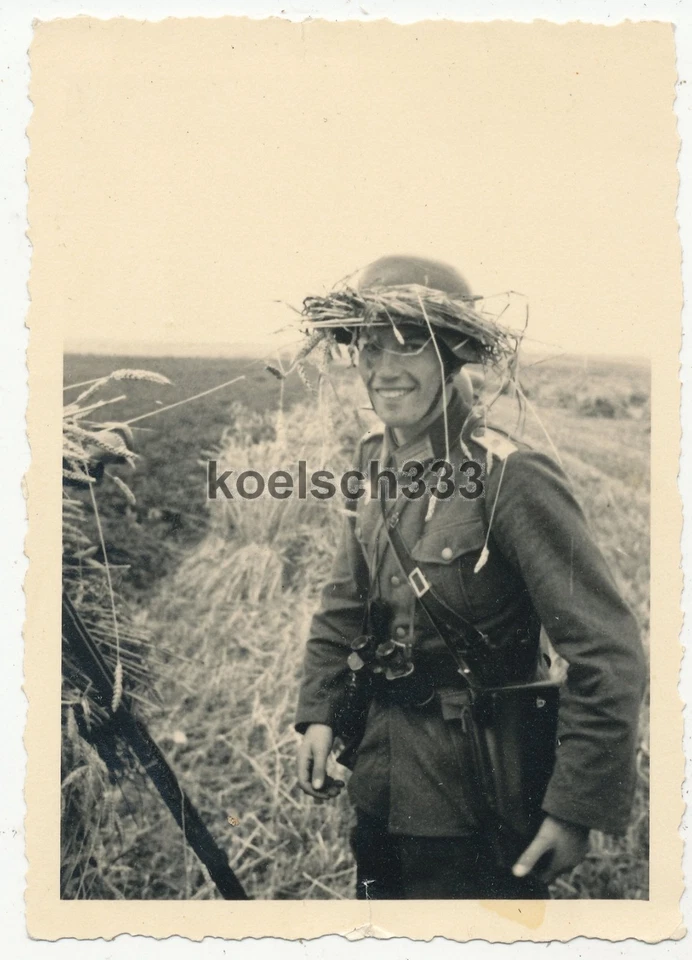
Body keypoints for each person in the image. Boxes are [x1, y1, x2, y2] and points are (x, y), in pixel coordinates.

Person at [294, 255, 646, 899]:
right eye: (369, 348)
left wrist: (574, 808)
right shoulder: (373, 459)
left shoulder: (511, 477)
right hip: (378, 779)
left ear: (453, 357)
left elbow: (608, 653)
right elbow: (345, 599)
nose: (384, 368)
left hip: (478, 802)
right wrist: (319, 712)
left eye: (410, 347)